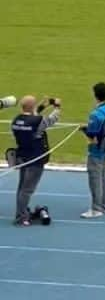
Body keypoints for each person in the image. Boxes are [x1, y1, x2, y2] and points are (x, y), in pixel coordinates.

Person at [10, 95, 61, 227]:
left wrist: (43, 106)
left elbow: (32, 119)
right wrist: (57, 107)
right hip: (35, 159)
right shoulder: (37, 121)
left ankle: (20, 213)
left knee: (22, 188)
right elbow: (51, 120)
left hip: (22, 157)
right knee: (27, 190)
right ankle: (21, 217)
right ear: (32, 107)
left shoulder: (15, 120)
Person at [80, 80, 105, 218]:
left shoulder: (95, 114)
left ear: (94, 95)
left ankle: (96, 208)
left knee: (95, 178)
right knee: (103, 175)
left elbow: (92, 136)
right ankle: (104, 204)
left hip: (96, 150)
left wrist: (84, 130)